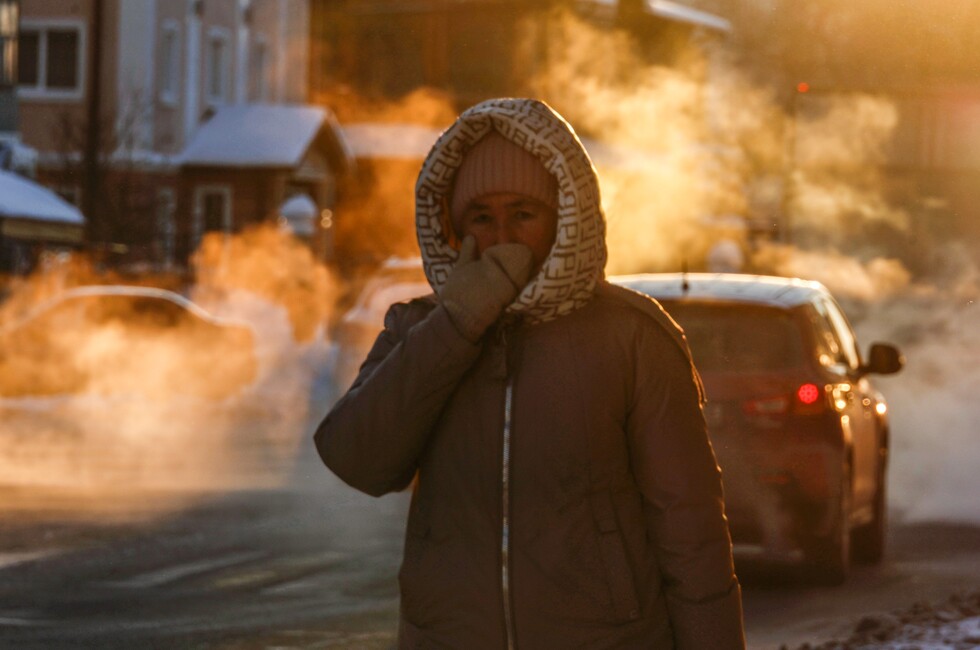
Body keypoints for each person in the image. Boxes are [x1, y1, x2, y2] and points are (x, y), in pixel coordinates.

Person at [315, 98, 744, 649]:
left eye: (523, 213)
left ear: (565, 214)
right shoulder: (420, 328)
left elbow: (690, 528)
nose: (502, 238)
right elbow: (357, 459)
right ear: (455, 226)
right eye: (482, 217)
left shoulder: (632, 336)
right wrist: (459, 322)